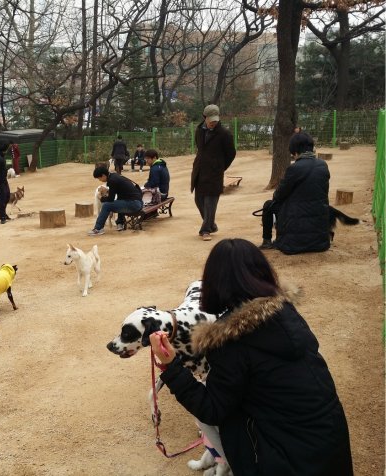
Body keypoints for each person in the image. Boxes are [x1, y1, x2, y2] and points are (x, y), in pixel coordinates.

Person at [150, 238, 353, 476]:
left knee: (228, 417)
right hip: (330, 448)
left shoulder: (230, 341)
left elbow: (212, 409)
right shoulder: (286, 314)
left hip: (285, 462)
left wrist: (171, 366)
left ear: (214, 282)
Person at [259, 132, 330, 254]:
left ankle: (267, 242)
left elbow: (278, 196)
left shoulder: (294, 169)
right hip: (320, 242)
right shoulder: (323, 165)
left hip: (292, 244)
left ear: (294, 151)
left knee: (268, 205)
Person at [191, 104, 236, 242]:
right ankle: (211, 224)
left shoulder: (224, 134)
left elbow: (231, 153)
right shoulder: (199, 130)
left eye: (215, 120)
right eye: (211, 120)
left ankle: (205, 230)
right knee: (199, 200)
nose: (213, 123)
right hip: (199, 170)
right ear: (204, 117)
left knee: (210, 202)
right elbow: (200, 148)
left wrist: (220, 166)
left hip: (214, 173)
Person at [88, 164, 142, 235]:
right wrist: (107, 191)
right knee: (118, 201)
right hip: (137, 202)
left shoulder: (112, 180)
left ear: (103, 175)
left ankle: (98, 228)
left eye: (99, 178)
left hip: (134, 204)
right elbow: (119, 194)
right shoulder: (114, 176)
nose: (100, 180)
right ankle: (120, 222)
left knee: (106, 205)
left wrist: (101, 198)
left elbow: (110, 199)